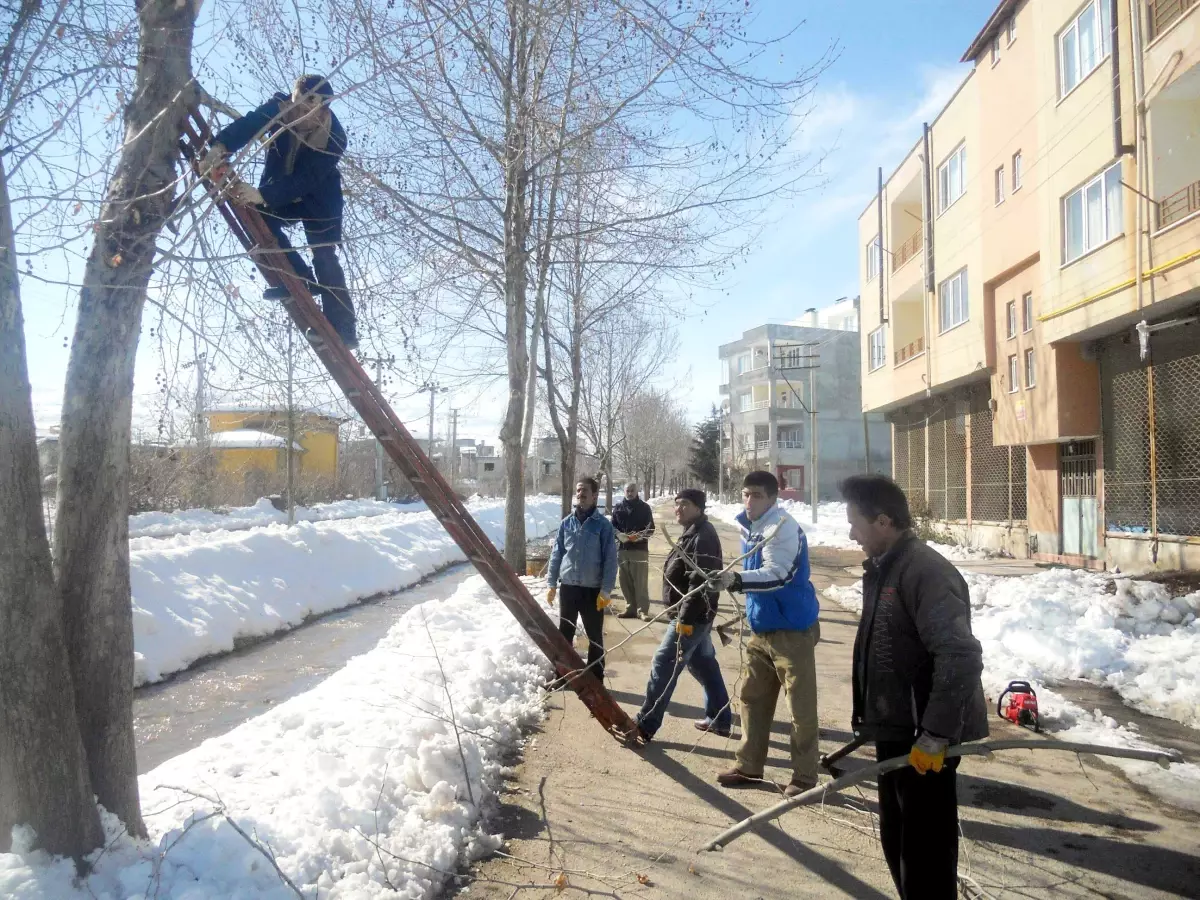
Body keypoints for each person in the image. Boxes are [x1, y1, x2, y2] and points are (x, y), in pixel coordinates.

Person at [841, 474, 988, 900]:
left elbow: (960, 655)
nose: (851, 533)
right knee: (899, 843)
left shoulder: (925, 571)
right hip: (897, 731)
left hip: (924, 741)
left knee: (924, 857)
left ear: (883, 521)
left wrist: (936, 734)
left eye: (856, 522)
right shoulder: (889, 567)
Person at [203, 74, 358, 349]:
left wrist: (264, 194)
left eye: (319, 103)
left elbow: (309, 178)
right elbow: (250, 124)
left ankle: (344, 329)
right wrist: (220, 147)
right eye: (304, 101)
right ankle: (299, 278)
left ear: (325, 105)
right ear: (294, 97)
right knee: (261, 217)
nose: (309, 109)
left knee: (324, 254)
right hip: (281, 188)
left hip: (320, 198)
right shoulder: (279, 108)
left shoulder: (335, 137)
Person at [709, 470, 820, 797]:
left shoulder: (781, 528)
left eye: (756, 495)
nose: (749, 500)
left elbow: (778, 574)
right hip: (762, 627)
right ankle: (749, 766)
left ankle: (804, 776)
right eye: (746, 494)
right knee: (752, 698)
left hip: (792, 630)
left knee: (800, 706)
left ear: (773, 498)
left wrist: (736, 580)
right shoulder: (752, 527)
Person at [623, 488, 731, 745]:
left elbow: (700, 583)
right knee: (704, 664)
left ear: (699, 508)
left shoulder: (703, 536)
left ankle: (645, 724)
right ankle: (719, 718)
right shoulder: (694, 531)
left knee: (664, 663)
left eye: (684, 504)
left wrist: (683, 620)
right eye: (676, 504)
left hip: (691, 616)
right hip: (695, 614)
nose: (678, 509)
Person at [545, 478, 618, 680]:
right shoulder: (566, 523)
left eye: (585, 490)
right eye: (578, 490)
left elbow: (611, 560)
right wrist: (551, 583)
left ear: (595, 495)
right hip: (568, 588)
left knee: (594, 637)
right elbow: (557, 554)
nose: (580, 494)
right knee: (565, 633)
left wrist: (606, 590)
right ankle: (563, 676)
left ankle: (596, 679)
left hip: (592, 591)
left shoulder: (603, 526)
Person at [611, 482, 655, 620]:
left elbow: (651, 528)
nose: (629, 493)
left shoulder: (645, 508)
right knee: (624, 581)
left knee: (640, 581)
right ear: (624, 491)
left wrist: (640, 536)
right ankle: (630, 608)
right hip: (622, 549)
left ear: (637, 491)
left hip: (639, 549)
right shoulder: (618, 508)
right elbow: (611, 527)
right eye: (627, 490)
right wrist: (618, 534)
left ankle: (643, 611)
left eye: (632, 490)